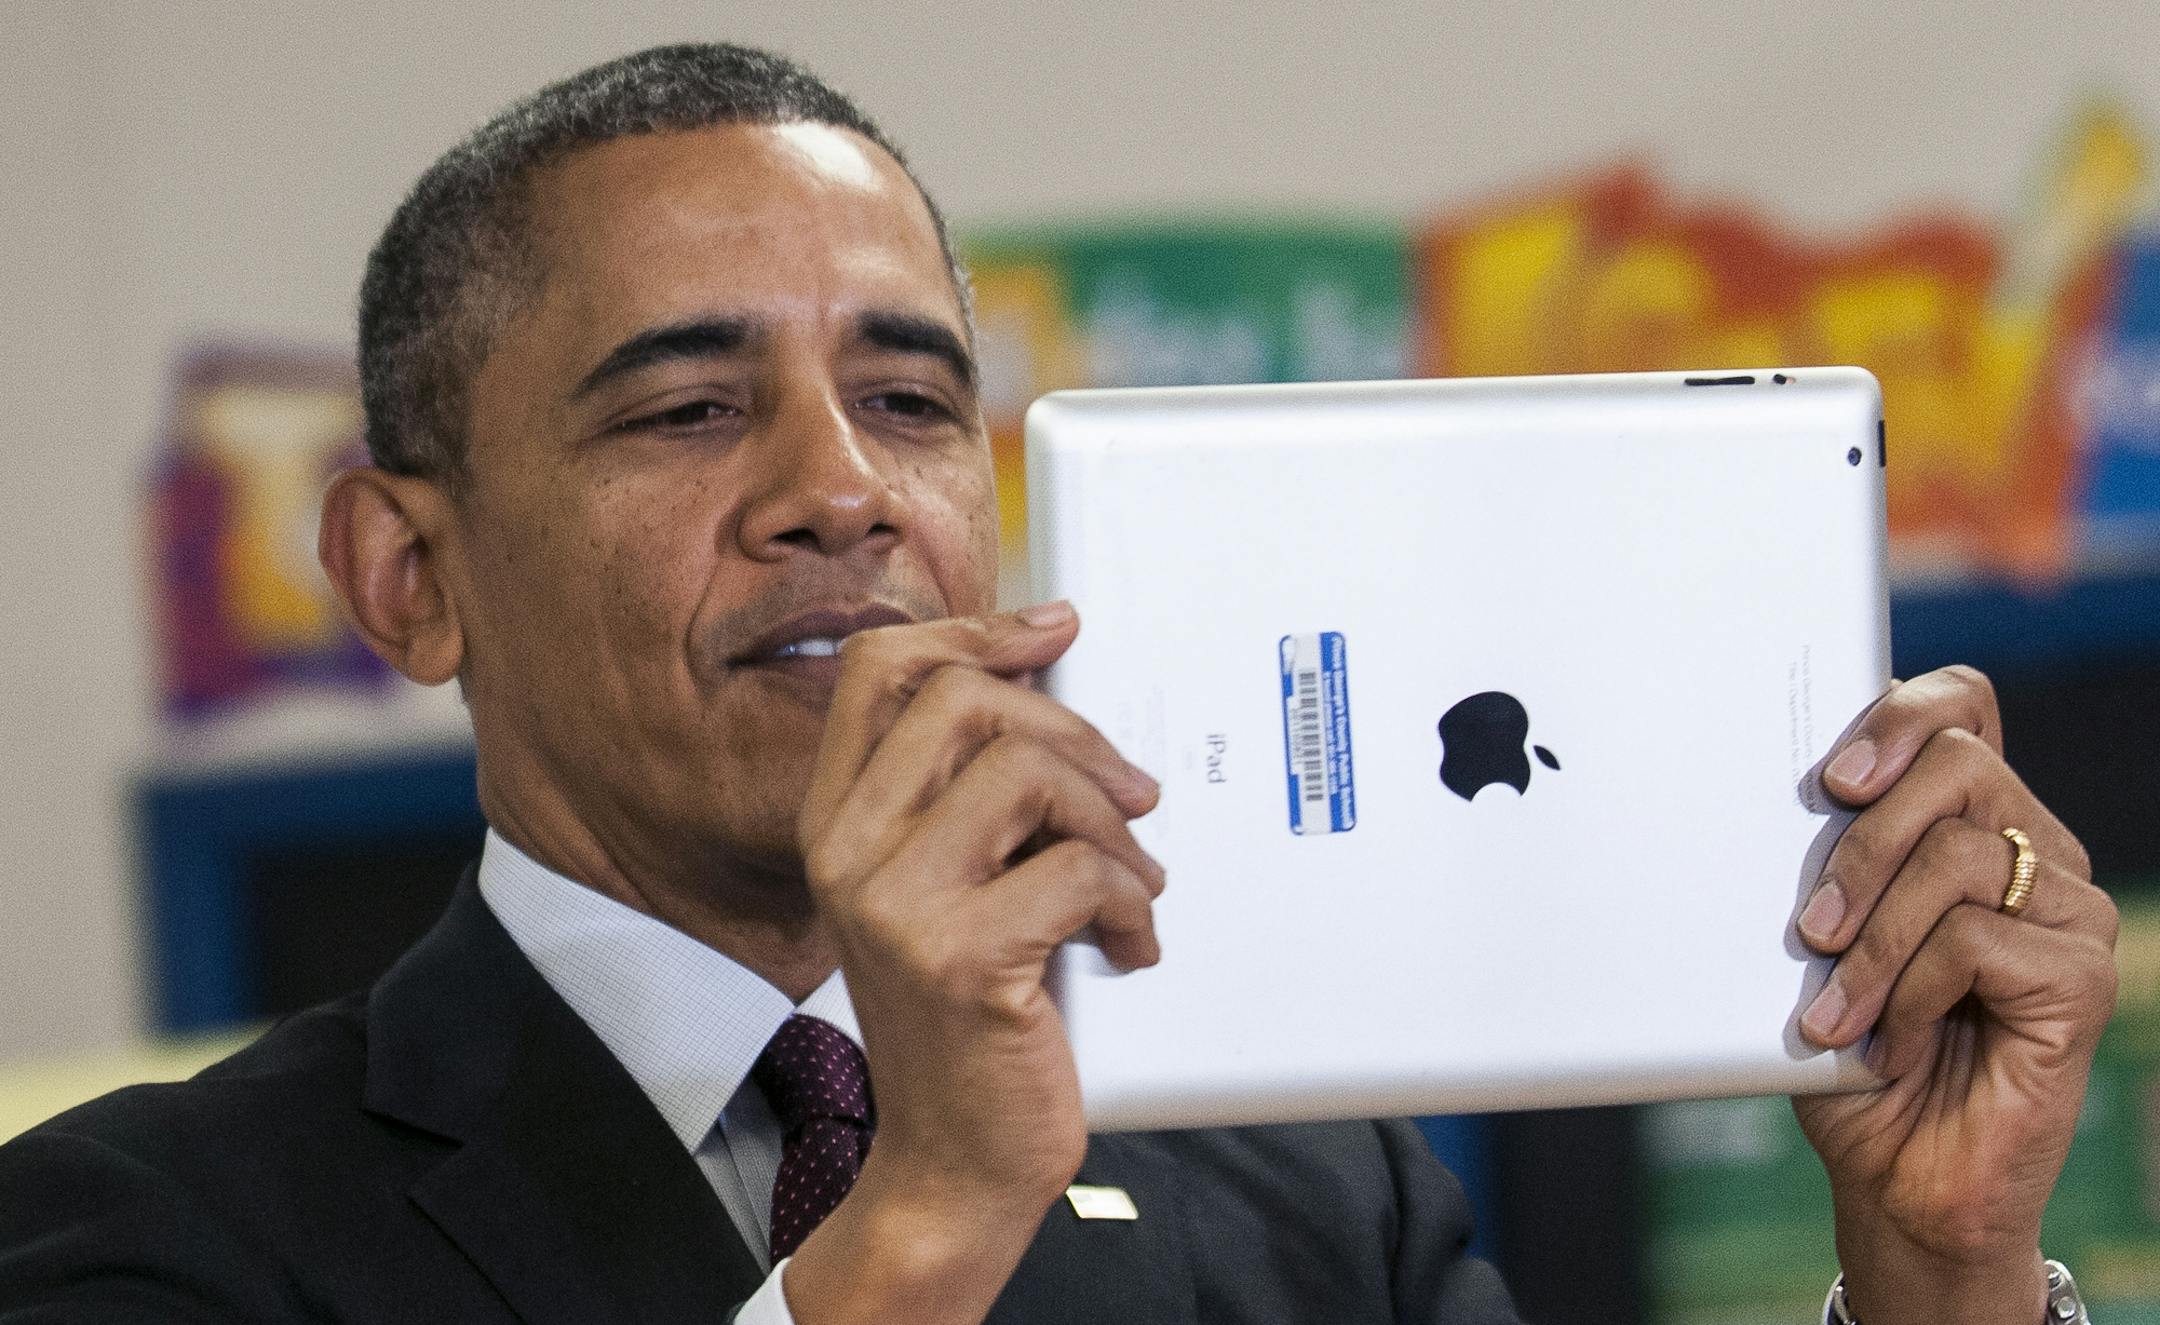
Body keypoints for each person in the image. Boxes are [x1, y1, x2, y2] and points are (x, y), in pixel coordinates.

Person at [0, 42, 2118, 1325]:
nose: (840, 494)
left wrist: (1939, 1272)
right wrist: (921, 1215)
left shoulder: (1321, 1202)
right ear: (407, 573)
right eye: (682, 413)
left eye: (912, 399)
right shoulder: (145, 1237)